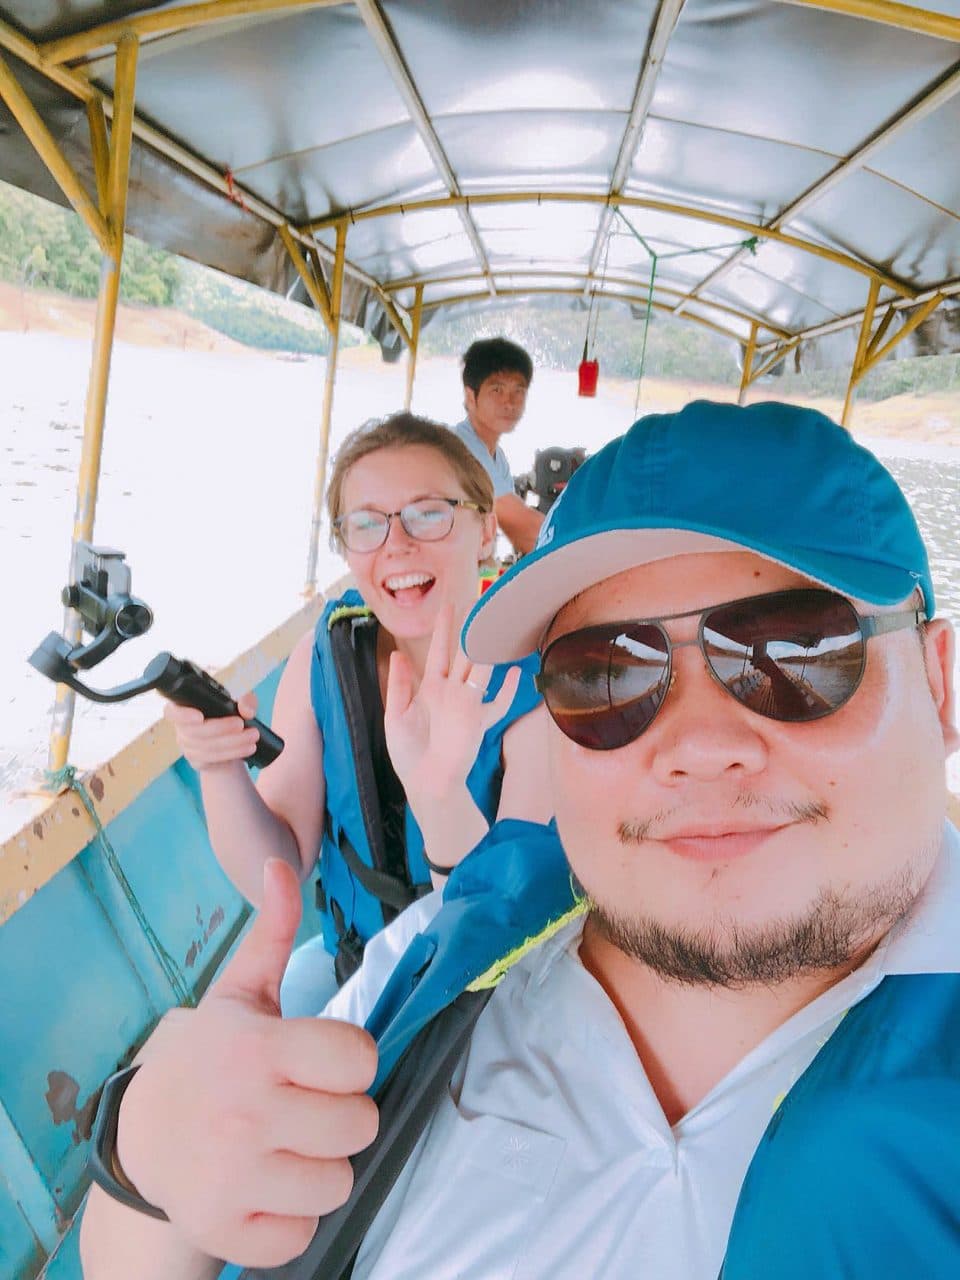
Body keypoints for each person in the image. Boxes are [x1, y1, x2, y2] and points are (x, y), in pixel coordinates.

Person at [80, 401, 959, 1280]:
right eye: (607, 675)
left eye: (797, 654)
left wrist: (440, 808)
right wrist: (139, 1163)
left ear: (940, 683)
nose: (698, 747)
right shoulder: (452, 951)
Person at [164, 411, 550, 1014]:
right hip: (354, 962)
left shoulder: (535, 681)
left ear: (484, 530)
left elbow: (509, 927)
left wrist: (442, 794)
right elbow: (279, 873)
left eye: (429, 513)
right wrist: (219, 769)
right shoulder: (329, 656)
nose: (397, 544)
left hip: (498, 991)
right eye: (367, 524)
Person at [451, 336, 545, 555]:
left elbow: (519, 535)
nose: (509, 402)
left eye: (518, 391)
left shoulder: (497, 458)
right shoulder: (460, 447)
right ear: (470, 396)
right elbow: (524, 528)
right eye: (497, 390)